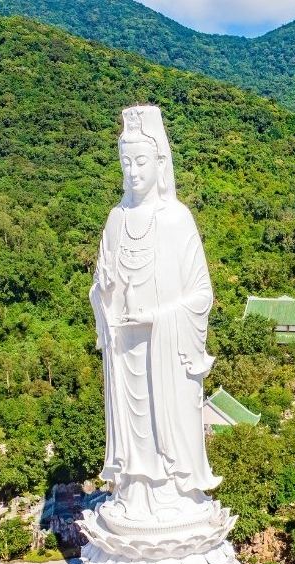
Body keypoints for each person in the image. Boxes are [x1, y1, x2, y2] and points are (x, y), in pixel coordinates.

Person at [89, 105, 219, 523]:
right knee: (131, 430)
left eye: (141, 161)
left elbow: (202, 293)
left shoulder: (178, 219)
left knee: (167, 422)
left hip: (165, 347)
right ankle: (135, 492)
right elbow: (101, 283)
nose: (133, 172)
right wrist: (104, 295)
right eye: (125, 163)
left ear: (160, 163)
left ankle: (170, 493)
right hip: (125, 348)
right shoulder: (115, 219)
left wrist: (160, 318)